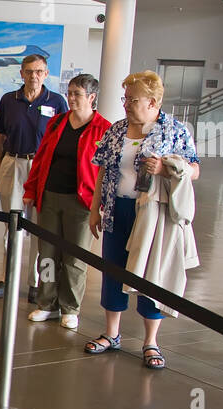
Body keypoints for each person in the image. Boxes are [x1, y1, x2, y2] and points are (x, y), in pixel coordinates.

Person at [86, 70, 200, 369]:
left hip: (152, 215)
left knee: (150, 273)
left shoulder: (175, 131)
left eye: (132, 99)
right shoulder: (116, 130)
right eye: (125, 98)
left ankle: (151, 341)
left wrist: (166, 168)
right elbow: (102, 170)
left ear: (152, 102)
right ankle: (112, 333)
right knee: (113, 269)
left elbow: (194, 170)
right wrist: (95, 207)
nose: (125, 104)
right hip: (116, 210)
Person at [22, 74, 111, 331]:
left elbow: (109, 171)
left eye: (77, 94)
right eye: (70, 92)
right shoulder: (57, 123)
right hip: (50, 196)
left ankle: (70, 307)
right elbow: (40, 159)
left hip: (82, 203)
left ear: (92, 98)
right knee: (47, 254)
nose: (71, 98)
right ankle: (47, 302)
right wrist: (31, 189)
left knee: (75, 257)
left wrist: (101, 204)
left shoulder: (103, 128)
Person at [0, 53, 67, 301]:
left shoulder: (56, 101)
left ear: (46, 74)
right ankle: (7, 278)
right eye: (29, 71)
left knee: (38, 227)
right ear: (21, 73)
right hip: (13, 163)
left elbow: (62, 139)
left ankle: (35, 283)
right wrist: (2, 167)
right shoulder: (8, 100)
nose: (34, 76)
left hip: (42, 168)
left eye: (39, 71)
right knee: (11, 226)